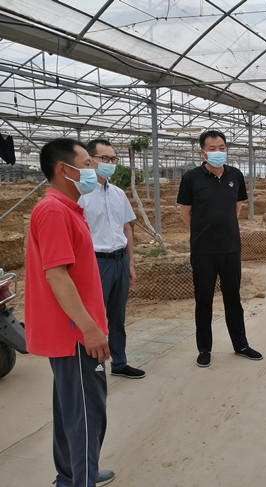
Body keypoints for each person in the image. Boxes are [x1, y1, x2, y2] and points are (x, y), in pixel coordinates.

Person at [24, 138, 114, 487]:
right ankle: (82, 479)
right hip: (75, 334)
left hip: (73, 331)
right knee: (88, 416)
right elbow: (57, 276)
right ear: (64, 169)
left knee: (70, 411)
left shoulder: (65, 208)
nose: (95, 169)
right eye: (88, 163)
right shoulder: (54, 211)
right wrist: (89, 329)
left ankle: (72, 475)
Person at [177, 129, 262, 367]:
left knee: (233, 298)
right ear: (202, 152)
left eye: (222, 148)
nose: (218, 152)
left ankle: (241, 345)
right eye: (212, 148)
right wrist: (203, 232)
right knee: (203, 301)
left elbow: (237, 206)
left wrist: (224, 228)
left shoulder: (235, 175)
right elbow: (185, 213)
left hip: (230, 248)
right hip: (203, 251)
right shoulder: (191, 178)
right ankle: (204, 349)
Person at [78, 139, 144, 379]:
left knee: (118, 315)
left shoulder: (118, 193)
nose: (110, 163)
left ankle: (119, 362)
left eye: (113, 159)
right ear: (91, 161)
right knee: (94, 316)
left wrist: (130, 263)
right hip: (96, 262)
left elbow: (126, 229)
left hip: (119, 261)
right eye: (104, 158)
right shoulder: (81, 194)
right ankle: (92, 367)